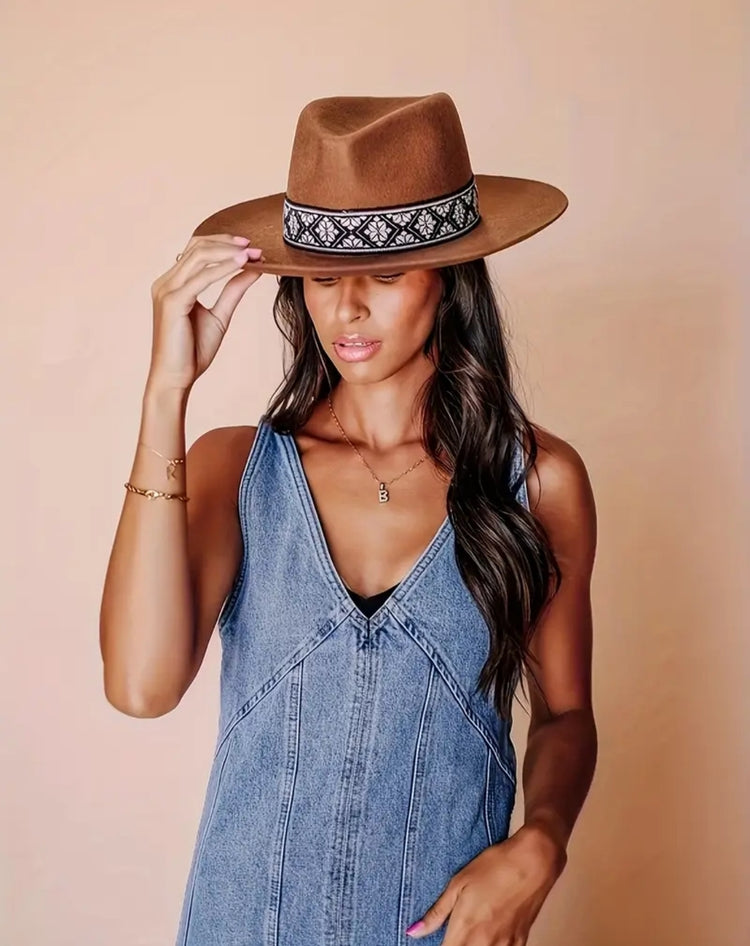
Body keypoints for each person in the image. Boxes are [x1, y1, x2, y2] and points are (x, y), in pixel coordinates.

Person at [99, 93, 598, 946]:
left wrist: (543, 840)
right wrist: (165, 392)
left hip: (438, 929)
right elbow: (140, 688)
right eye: (323, 278)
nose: (347, 308)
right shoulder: (236, 469)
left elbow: (566, 715)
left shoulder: (538, 481)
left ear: (451, 279)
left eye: (387, 274)